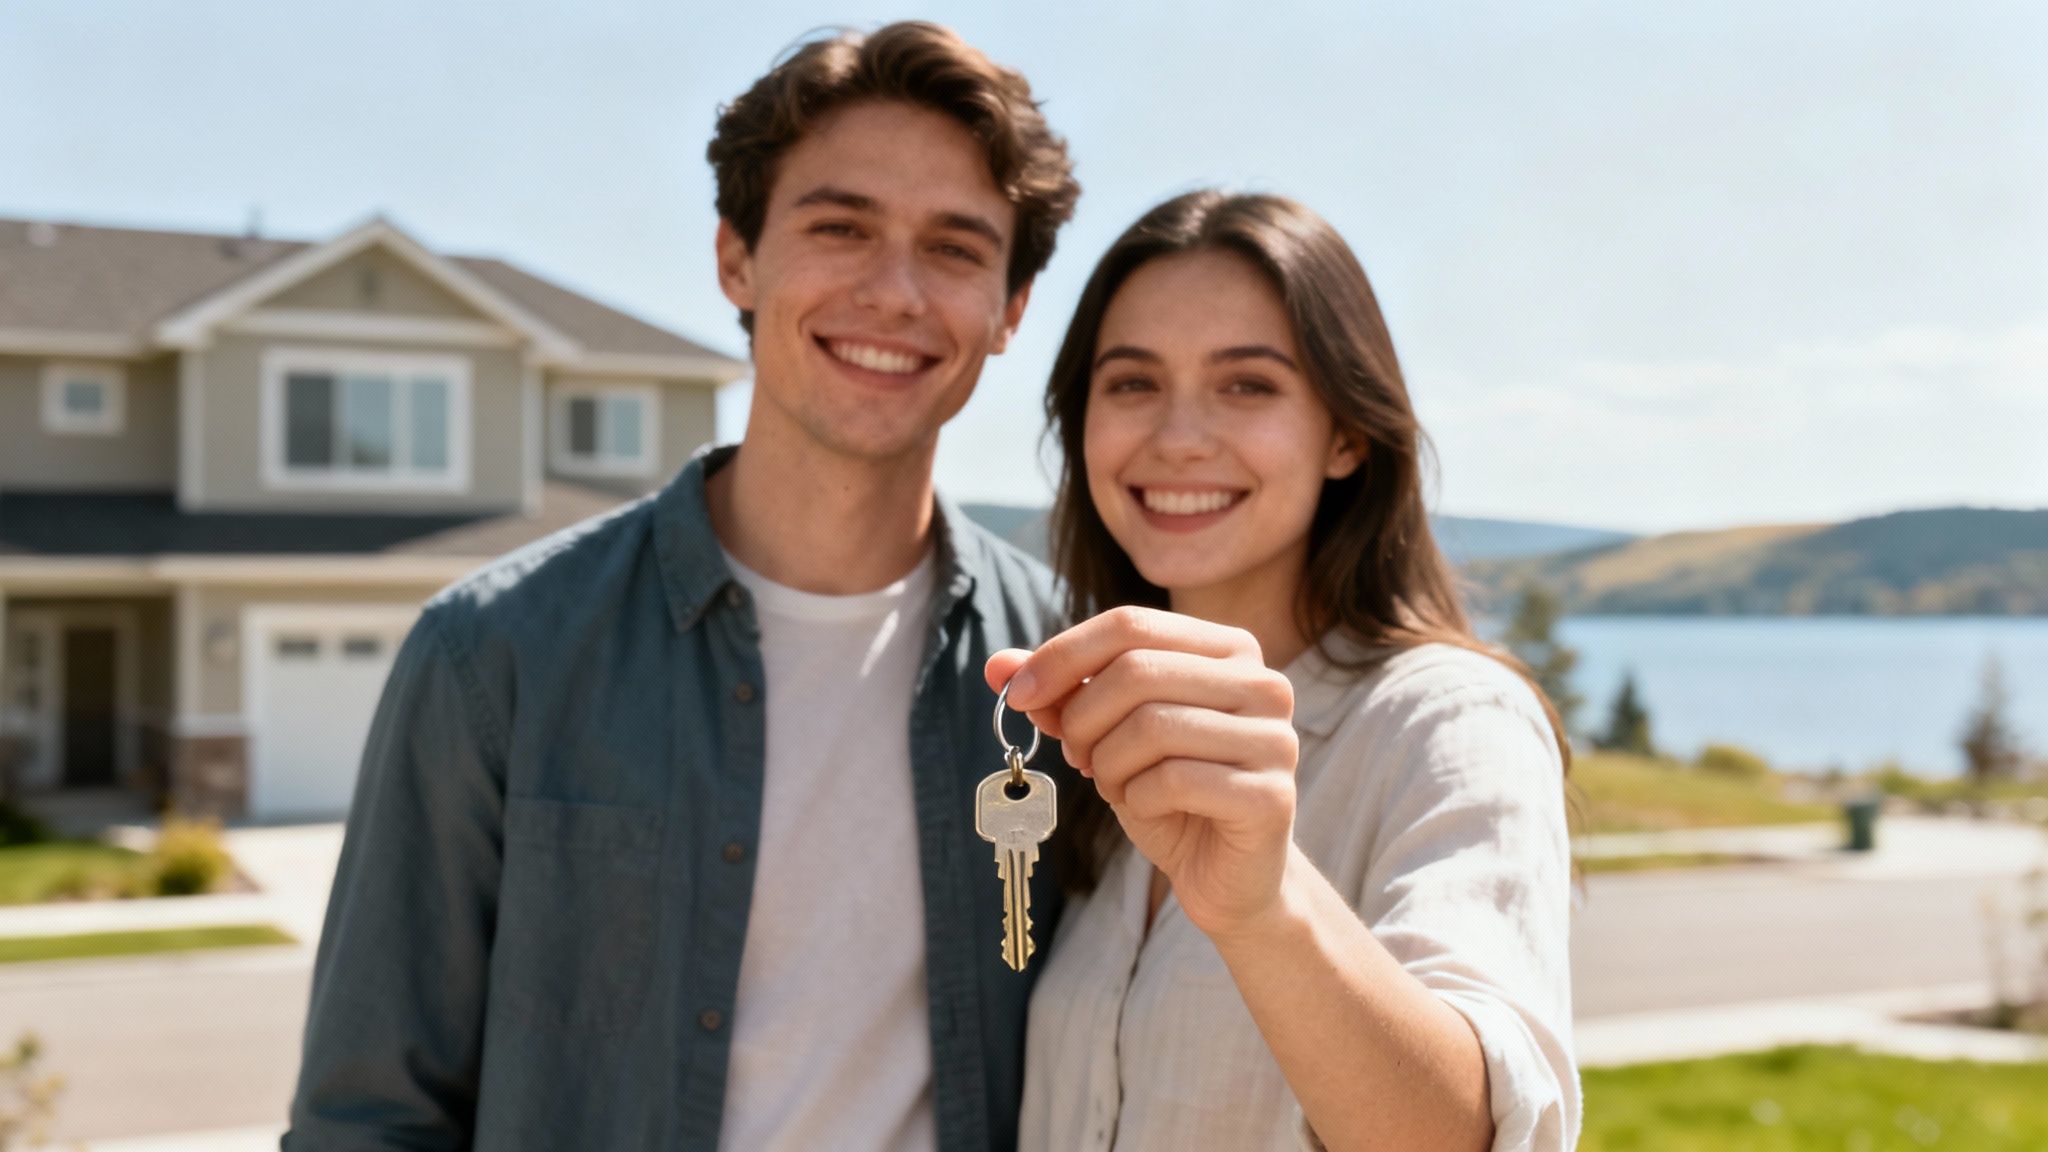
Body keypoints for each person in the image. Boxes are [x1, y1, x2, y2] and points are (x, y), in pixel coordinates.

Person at [284, 22, 1080, 1151]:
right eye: (839, 226)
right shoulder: (491, 656)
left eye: (954, 248)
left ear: (1009, 310)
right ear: (735, 259)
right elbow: (369, 1118)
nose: (894, 292)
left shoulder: (1063, 677)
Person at [989, 191, 1580, 1151]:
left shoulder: (1451, 723)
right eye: (1132, 383)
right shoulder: (1091, 725)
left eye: (1247, 386)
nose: (1177, 436)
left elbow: (1477, 1131)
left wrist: (1264, 909)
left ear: (1347, 433)